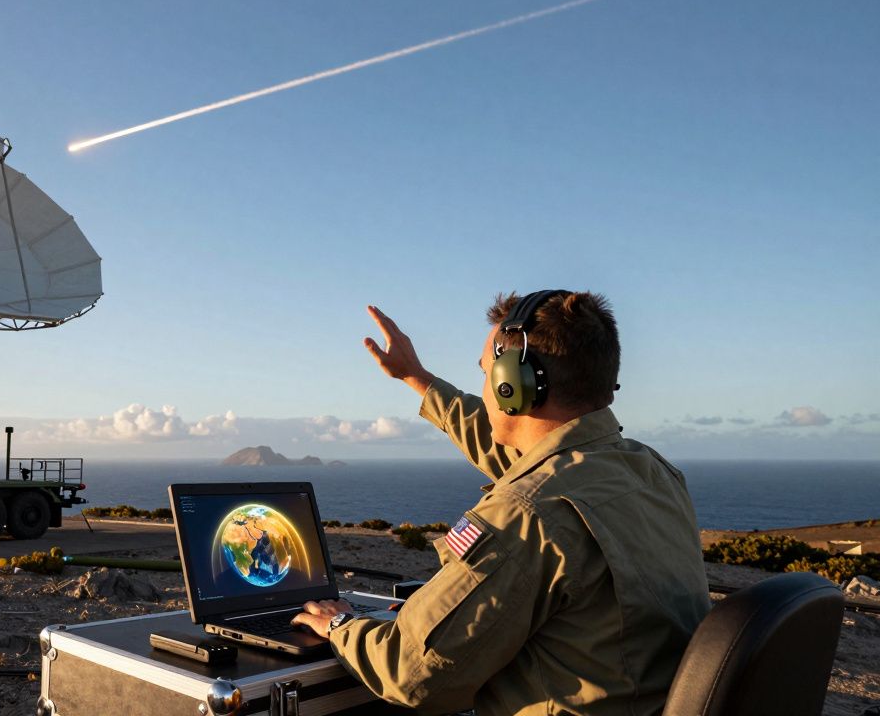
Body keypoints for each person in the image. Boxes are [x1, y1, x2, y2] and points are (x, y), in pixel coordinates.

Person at [291, 291, 711, 715]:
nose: (487, 388)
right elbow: (515, 454)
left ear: (513, 385)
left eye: (486, 374)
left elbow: (412, 674)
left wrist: (340, 624)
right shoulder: (651, 471)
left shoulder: (528, 513)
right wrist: (415, 377)